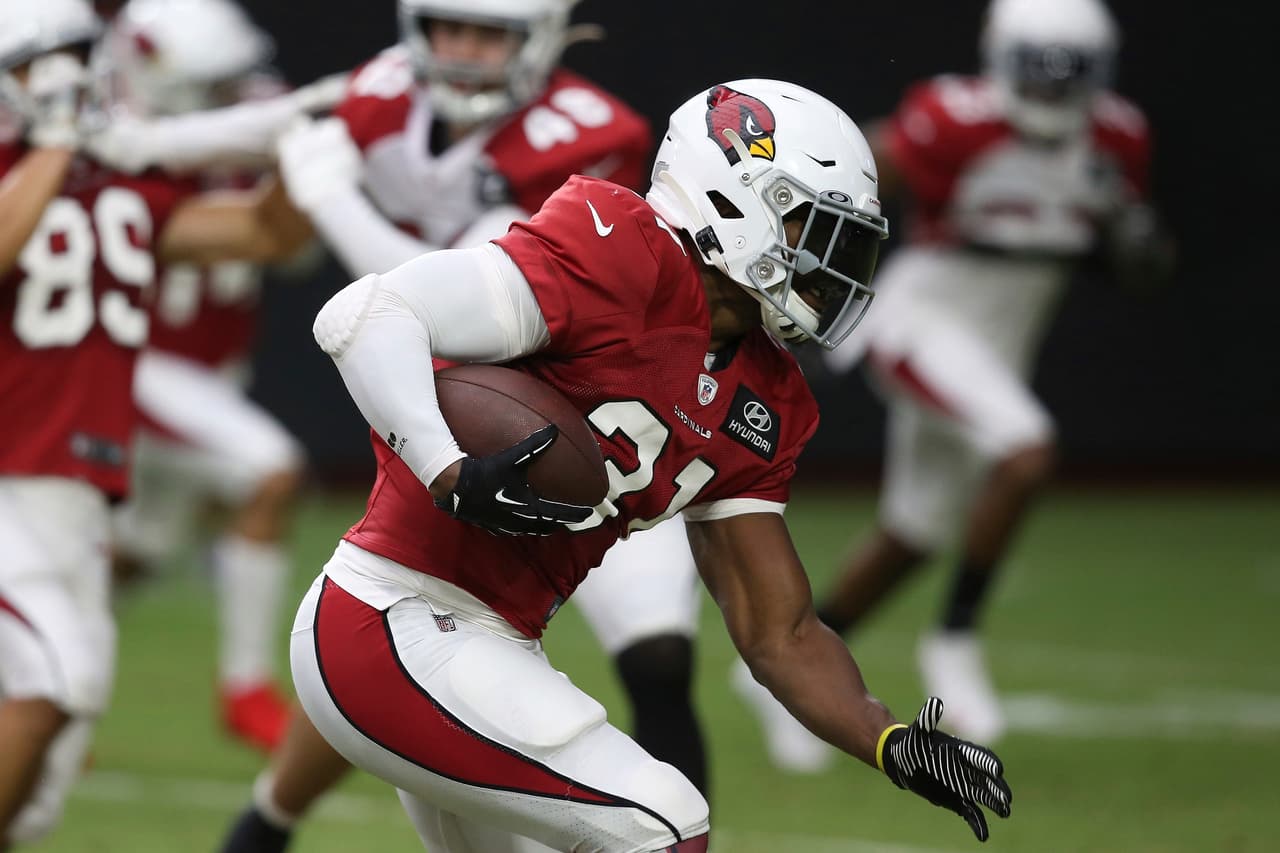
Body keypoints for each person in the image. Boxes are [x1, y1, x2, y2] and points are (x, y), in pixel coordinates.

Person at [291, 76, 1012, 851]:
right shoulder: (619, 251)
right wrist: (446, 468)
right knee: (664, 821)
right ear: (737, 199)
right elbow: (365, 313)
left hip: (492, 647)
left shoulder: (768, 398)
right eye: (811, 226)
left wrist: (887, 737)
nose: (832, 263)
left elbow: (782, 634)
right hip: (389, 618)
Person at [218, 3, 722, 850]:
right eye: (448, 28)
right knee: (406, 624)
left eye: (489, 33)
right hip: (467, 429)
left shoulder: (589, 139)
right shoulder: (389, 94)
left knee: (658, 659)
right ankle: (266, 821)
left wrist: (330, 196)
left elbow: (426, 278)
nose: (463, 50)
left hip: (601, 429)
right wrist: (128, 144)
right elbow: (286, 124)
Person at [797, 0, 1165, 744]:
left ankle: (792, 661)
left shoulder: (1118, 135)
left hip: (999, 342)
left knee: (915, 531)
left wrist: (1136, 246)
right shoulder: (958, 118)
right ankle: (956, 639)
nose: (1056, 91)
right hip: (922, 321)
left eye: (1073, 75)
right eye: (1041, 71)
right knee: (1026, 447)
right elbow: (854, 174)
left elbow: (1138, 262)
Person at [0, 0, 315, 844]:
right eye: (39, 64)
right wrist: (57, 144)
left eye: (73, 56)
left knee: (38, 797)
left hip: (73, 488)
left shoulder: (119, 174)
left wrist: (307, 148)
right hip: (6, 478)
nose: (64, 80)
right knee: (54, 681)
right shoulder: (34, 162)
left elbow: (259, 231)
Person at [99, 0, 314, 754]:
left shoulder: (247, 118)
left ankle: (35, 691)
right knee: (270, 472)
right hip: (145, 363)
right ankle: (247, 688)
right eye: (215, 84)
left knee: (133, 554)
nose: (235, 96)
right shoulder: (115, 141)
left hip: (209, 373)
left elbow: (291, 246)